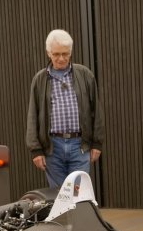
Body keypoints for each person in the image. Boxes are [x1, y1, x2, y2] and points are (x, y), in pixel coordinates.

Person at [26, 29, 104, 188]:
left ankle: (79, 213)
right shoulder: (40, 79)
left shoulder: (85, 75)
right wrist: (36, 150)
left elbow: (97, 111)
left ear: (70, 52)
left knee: (78, 194)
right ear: (48, 53)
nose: (61, 58)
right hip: (52, 147)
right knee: (58, 197)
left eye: (65, 53)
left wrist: (97, 144)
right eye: (56, 54)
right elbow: (33, 115)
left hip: (79, 146)